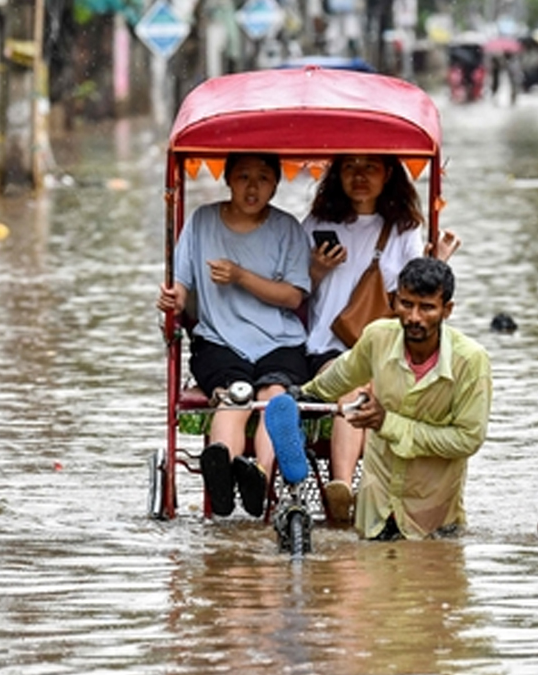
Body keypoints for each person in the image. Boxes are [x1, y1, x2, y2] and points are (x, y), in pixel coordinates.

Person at [303, 154, 459, 524]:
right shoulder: (316, 224)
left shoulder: (404, 229)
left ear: (387, 174)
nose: (359, 177)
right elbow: (295, 291)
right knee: (353, 388)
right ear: (337, 175)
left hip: (385, 348)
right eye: (350, 168)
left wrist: (439, 262)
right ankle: (342, 488)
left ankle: (384, 494)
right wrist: (317, 270)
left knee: (371, 387)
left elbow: (417, 293)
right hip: (328, 346)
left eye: (370, 167)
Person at [157, 153, 311, 519]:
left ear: (275, 184)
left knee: (274, 397)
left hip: (279, 340)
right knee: (235, 395)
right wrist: (172, 299)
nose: (252, 187)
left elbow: (293, 296)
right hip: (219, 340)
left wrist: (241, 276)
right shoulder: (202, 222)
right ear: (228, 179)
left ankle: (260, 476)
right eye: (243, 177)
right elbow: (182, 284)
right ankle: (223, 472)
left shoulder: (287, 228)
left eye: (263, 178)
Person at [300, 257, 491, 540]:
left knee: (436, 564)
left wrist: (388, 423)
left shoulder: (471, 361)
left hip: (432, 515)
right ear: (394, 301)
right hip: (375, 509)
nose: (414, 317)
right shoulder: (377, 337)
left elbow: (468, 439)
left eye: (427, 307)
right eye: (406, 304)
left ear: (447, 310)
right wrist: (303, 396)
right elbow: (342, 375)